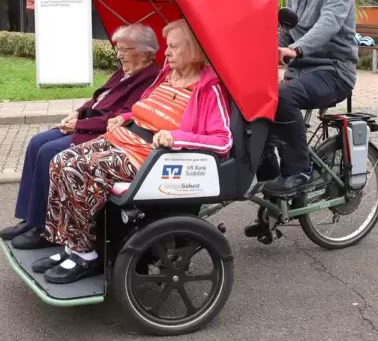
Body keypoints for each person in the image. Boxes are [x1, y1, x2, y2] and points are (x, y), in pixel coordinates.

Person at [32, 19, 233, 285]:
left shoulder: (209, 88)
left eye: (173, 46)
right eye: (167, 46)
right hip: (125, 136)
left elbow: (222, 140)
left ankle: (86, 255)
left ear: (194, 49)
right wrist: (126, 116)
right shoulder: (167, 75)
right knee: (60, 161)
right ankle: (72, 245)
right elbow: (148, 106)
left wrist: (176, 137)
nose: (167, 52)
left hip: (147, 154)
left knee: (74, 169)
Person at [0, 24, 161, 249]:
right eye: (118, 48)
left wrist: (80, 124)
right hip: (89, 120)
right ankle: (30, 217)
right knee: (36, 142)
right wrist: (78, 111)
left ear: (145, 52)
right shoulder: (125, 71)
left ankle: (44, 229)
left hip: (103, 130)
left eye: (125, 49)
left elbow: (121, 115)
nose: (119, 54)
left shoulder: (151, 77)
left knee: (50, 151)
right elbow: (99, 99)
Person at [249, 0, 358, 212]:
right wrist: (261, 52)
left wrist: (295, 51)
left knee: (284, 97)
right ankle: (274, 201)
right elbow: (286, 33)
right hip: (301, 72)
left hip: (333, 71)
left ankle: (299, 172)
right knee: (254, 115)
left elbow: (327, 25)